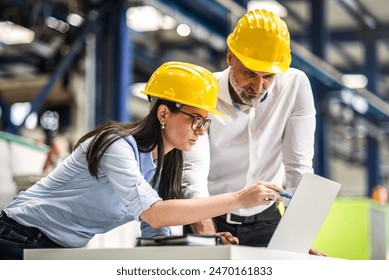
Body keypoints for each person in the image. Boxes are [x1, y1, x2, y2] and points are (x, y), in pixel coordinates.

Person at [0, 61, 285, 260]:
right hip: (17, 237)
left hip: (57, 248)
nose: (200, 132)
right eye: (196, 120)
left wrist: (205, 244)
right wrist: (238, 199)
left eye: (205, 123)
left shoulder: (162, 169)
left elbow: (156, 235)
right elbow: (154, 213)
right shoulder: (116, 146)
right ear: (163, 114)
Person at [181, 9, 318, 249]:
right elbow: (193, 175)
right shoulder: (203, 93)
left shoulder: (295, 86)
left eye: (268, 76)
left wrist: (299, 241)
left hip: (268, 222)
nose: (258, 86)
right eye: (250, 73)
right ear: (230, 57)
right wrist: (207, 235)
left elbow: (299, 167)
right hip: (210, 217)